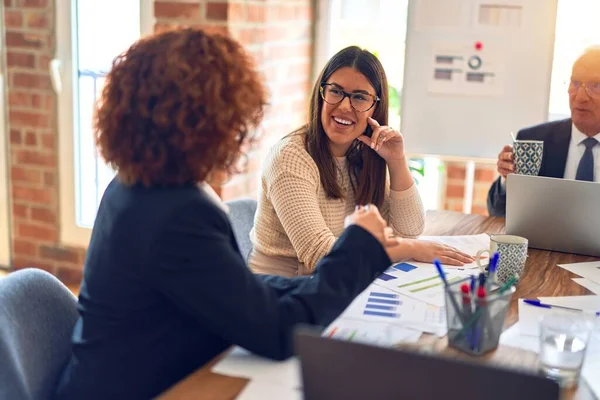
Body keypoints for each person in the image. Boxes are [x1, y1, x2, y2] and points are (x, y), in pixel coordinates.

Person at [55, 29, 398, 399]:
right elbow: (277, 332)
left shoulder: (137, 185)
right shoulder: (179, 215)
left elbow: (236, 289)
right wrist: (359, 245)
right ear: (206, 122)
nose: (238, 131)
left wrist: (311, 284)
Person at [249, 46, 474, 277]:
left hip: (333, 281)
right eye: (335, 91)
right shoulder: (290, 157)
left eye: (359, 97)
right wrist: (411, 249)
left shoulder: (362, 150)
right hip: (282, 288)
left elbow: (409, 230)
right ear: (321, 94)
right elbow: (320, 253)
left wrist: (396, 161)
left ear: (375, 107)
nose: (345, 106)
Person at [487, 46, 600, 217]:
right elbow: (498, 212)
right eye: (575, 83)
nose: (580, 97)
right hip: (544, 244)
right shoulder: (533, 140)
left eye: (596, 85)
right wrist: (508, 180)